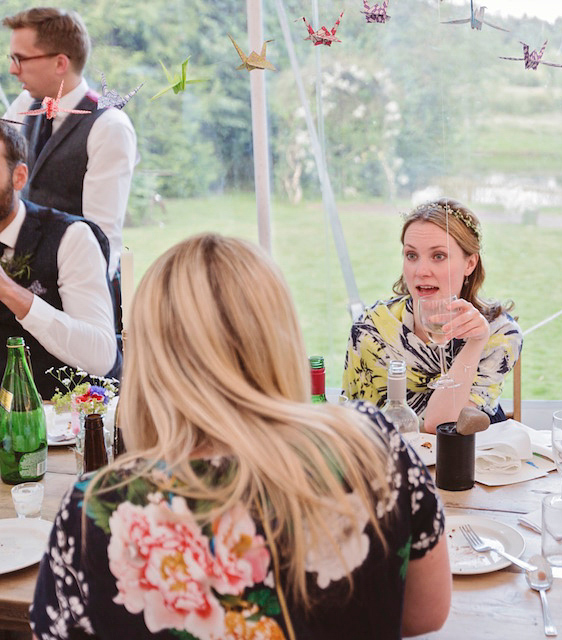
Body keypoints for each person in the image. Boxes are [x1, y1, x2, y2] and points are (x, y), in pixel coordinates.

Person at [30, 234, 451, 639]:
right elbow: (425, 614)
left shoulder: (95, 511)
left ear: (153, 354)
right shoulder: (374, 446)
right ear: (280, 337)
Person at [343, 198, 522, 433]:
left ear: (470, 263)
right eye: (411, 255)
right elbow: (354, 427)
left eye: (438, 256)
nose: (421, 271)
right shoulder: (372, 331)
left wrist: (475, 343)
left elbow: (440, 424)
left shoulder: (499, 333)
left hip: (473, 458)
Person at [3, 7, 136, 284]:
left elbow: (102, 236)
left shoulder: (109, 126)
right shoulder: (24, 106)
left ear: (60, 63)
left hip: (75, 290)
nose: (12, 69)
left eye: (20, 58)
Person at [0, 121, 118, 398]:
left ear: (19, 177)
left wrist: (10, 292)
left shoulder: (71, 238)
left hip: (66, 422)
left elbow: (101, 355)